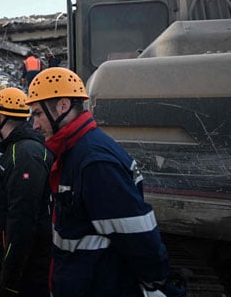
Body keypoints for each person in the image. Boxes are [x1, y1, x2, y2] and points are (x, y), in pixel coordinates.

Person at [26, 67, 184, 297]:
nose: (35, 125)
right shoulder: (74, 153)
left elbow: (138, 239)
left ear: (62, 106)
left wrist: (156, 283)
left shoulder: (94, 162)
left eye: (38, 113)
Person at [0, 87, 53, 296]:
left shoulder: (24, 155)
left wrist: (10, 280)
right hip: (22, 268)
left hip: (27, 273)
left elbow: (22, 223)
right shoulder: (15, 151)